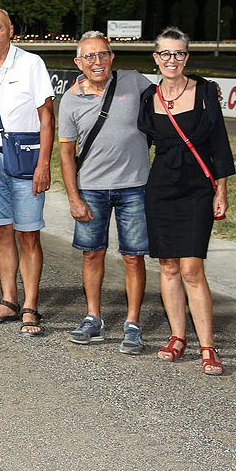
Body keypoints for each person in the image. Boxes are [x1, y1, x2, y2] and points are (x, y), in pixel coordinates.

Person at [137, 27, 235, 375]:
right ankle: (178, 336)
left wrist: (221, 190)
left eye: (178, 54)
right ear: (156, 58)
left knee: (192, 269)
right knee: (168, 267)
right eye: (165, 54)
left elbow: (219, 145)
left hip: (197, 188)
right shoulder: (149, 97)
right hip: (160, 188)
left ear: (187, 57)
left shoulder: (206, 91)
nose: (171, 60)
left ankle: (207, 346)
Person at [56, 32, 149, 353]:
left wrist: (204, 86)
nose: (97, 62)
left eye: (103, 55)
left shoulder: (134, 81)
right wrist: (73, 197)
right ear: (78, 63)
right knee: (92, 253)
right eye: (90, 57)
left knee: (133, 257)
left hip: (134, 186)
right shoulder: (69, 100)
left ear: (112, 57)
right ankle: (93, 318)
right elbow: (66, 154)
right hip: (91, 189)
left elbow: (171, 92)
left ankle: (132, 324)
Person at [0, 8, 53, 336]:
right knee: (1, 233)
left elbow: (47, 117)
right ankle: (9, 300)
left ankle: (31, 305)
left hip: (27, 160)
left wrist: (44, 164)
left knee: (28, 234)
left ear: (11, 30)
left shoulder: (32, 64)